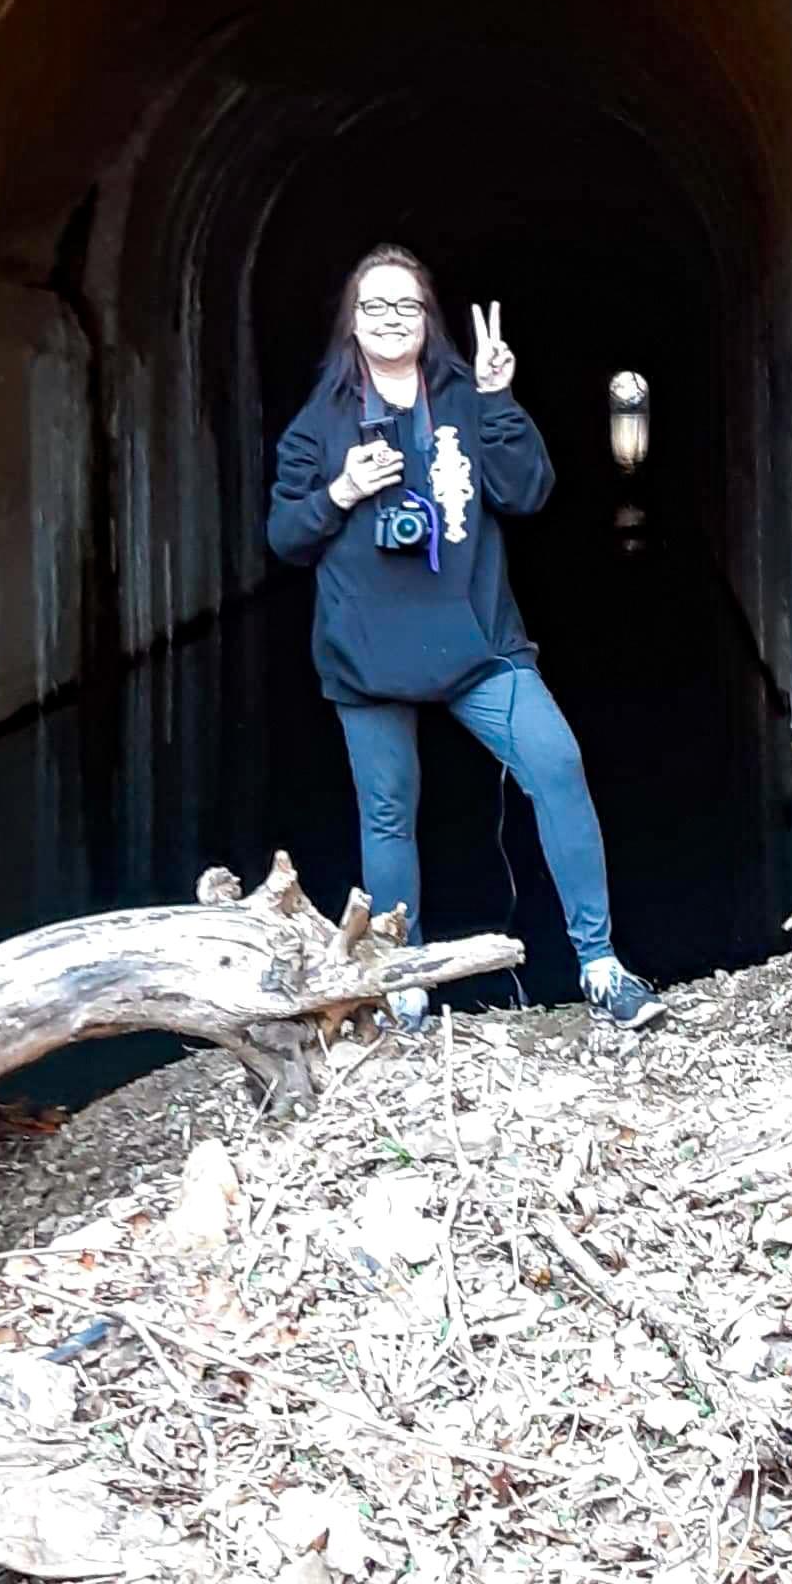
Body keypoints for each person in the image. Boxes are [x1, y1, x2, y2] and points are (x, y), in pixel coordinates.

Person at [266, 244, 662, 1034]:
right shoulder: (321, 421)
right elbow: (285, 536)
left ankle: (600, 964)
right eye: (374, 306)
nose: (390, 320)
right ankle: (404, 986)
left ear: (428, 318)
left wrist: (498, 398)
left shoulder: (463, 397)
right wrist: (343, 490)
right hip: (368, 655)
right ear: (352, 321)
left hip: (478, 643)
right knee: (388, 816)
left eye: (405, 305)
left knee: (556, 765)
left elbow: (527, 491)